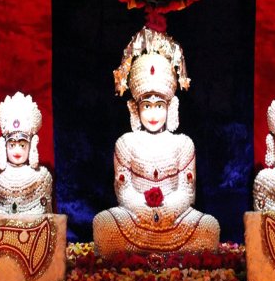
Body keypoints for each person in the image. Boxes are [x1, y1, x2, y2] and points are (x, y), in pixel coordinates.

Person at [92, 27, 219, 256]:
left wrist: (166, 211)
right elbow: (124, 191)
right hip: (134, 216)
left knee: (209, 227)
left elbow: (187, 193)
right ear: (135, 108)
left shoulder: (183, 144)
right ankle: (158, 250)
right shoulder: (125, 143)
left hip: (175, 217)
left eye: (159, 106)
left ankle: (146, 250)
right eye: (146, 106)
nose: (153, 114)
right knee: (104, 224)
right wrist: (146, 211)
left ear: (171, 107)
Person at [0, 92, 53, 215]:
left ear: (31, 146)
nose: (17, 151)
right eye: (12, 145)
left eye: (22, 145)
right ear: (4, 145)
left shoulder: (42, 178)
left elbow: (46, 216)